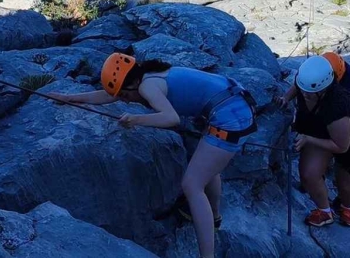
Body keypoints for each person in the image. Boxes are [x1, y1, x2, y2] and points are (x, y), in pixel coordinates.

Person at [47, 53, 255, 258]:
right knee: (208, 168)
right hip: (236, 102)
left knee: (192, 185)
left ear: (133, 84)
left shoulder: (147, 87)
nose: (126, 101)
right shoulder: (148, 75)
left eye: (126, 96)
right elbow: (110, 95)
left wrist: (137, 120)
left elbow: (171, 118)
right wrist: (70, 98)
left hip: (230, 118)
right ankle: (214, 217)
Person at [279, 54, 350, 228]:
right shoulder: (308, 83)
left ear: (323, 89)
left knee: (345, 183)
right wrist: (285, 98)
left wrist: (308, 139)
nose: (304, 94)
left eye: (308, 92)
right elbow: (298, 86)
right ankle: (325, 212)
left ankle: (347, 208)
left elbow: (341, 146)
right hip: (322, 129)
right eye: (303, 88)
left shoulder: (338, 107)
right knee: (309, 174)